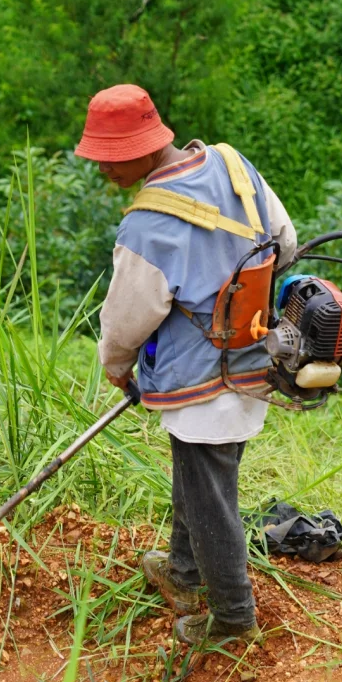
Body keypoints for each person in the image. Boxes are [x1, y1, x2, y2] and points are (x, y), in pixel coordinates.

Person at [74, 83, 296, 648]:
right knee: (200, 481)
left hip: (201, 385)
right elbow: (286, 243)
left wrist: (116, 365)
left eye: (110, 158)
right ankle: (182, 570)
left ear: (142, 149)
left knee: (210, 497)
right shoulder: (233, 166)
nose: (103, 170)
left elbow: (127, 321)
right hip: (255, 359)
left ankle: (232, 620)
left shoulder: (146, 227)